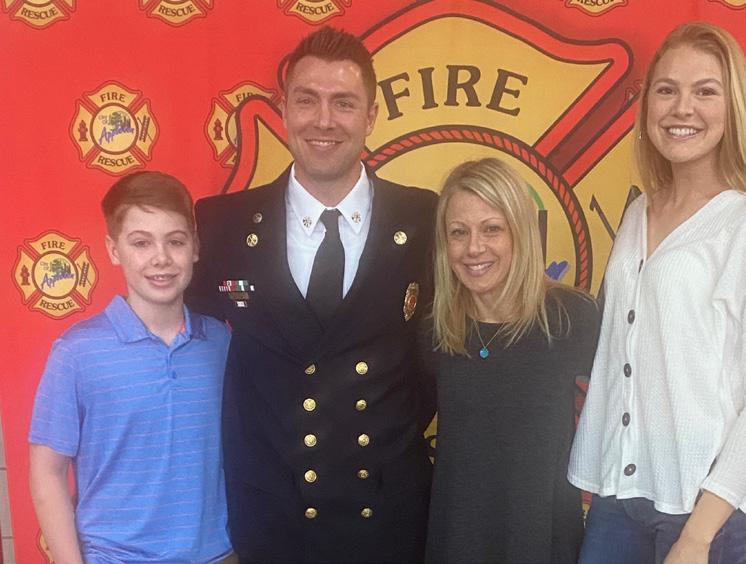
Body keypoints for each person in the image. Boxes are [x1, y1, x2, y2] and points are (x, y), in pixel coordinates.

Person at [186, 26, 437, 563]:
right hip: (272, 522)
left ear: (371, 116)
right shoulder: (221, 225)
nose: (324, 120)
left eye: (344, 103)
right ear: (283, 111)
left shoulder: (426, 220)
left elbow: (449, 358)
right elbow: (182, 350)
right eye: (307, 100)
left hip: (387, 520)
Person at [568, 22, 746, 564]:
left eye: (705, 91)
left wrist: (698, 537)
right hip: (619, 498)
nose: (683, 108)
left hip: (708, 514)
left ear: (733, 106)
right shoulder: (639, 212)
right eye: (667, 89)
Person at [28, 171, 233, 563]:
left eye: (175, 241)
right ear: (113, 249)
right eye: (141, 242)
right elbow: (47, 472)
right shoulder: (77, 352)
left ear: (195, 247)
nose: (161, 258)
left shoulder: (221, 343)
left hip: (217, 556)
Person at [422, 158, 600, 563]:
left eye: (492, 229)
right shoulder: (435, 329)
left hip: (542, 541)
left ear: (519, 231)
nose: (474, 248)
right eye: (459, 232)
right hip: (457, 541)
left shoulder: (572, 317)